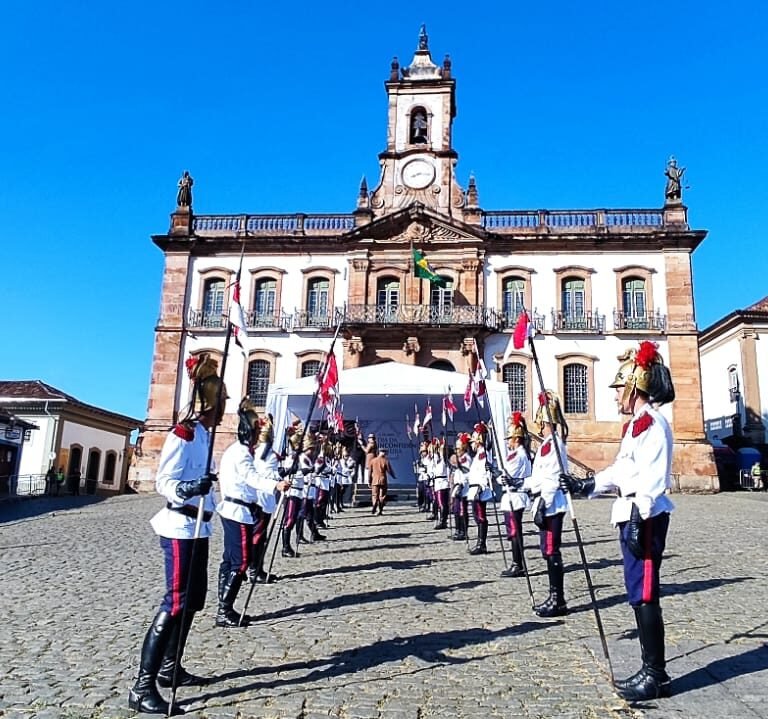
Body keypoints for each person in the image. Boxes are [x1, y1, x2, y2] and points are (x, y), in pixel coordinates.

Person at [560, 341, 676, 701]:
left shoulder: (653, 423)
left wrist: (640, 516)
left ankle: (656, 675)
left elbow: (653, 477)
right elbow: (622, 469)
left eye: (617, 389)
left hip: (645, 514)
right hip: (631, 511)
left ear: (633, 388)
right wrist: (588, 484)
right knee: (637, 592)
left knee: (646, 593)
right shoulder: (636, 426)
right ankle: (649, 669)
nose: (614, 396)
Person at [127, 353, 225, 714]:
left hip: (199, 526)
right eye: (222, 400)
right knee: (176, 602)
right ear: (210, 401)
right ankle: (142, 686)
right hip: (180, 526)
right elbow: (164, 481)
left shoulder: (205, 436)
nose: (224, 407)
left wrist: (206, 485)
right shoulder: (183, 434)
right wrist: (190, 488)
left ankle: (170, 668)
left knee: (195, 599)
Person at [214, 402, 290, 628]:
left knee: (230, 559)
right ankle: (224, 609)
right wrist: (276, 485)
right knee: (241, 561)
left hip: (238, 509)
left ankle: (224, 606)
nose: (258, 436)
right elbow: (252, 478)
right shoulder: (241, 454)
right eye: (257, 431)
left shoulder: (238, 451)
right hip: (237, 512)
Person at [522, 390, 569, 617]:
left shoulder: (554, 444)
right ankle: (554, 597)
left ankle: (557, 599)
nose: (539, 426)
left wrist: (543, 502)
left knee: (551, 550)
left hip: (551, 503)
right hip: (545, 500)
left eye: (540, 421)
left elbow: (552, 478)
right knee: (547, 550)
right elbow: (538, 477)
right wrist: (521, 483)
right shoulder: (546, 445)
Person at [499, 412, 532, 578]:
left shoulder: (518, 455)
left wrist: (499, 474)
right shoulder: (516, 454)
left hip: (515, 496)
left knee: (514, 532)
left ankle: (517, 564)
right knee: (512, 531)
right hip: (511, 495)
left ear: (516, 439)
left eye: (509, 439)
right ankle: (516, 563)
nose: (508, 442)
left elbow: (506, 475)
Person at [466, 422, 493, 555]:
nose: (472, 444)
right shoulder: (478, 454)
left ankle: (481, 544)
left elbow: (484, 473)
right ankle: (480, 542)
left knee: (481, 517)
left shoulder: (484, 454)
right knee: (477, 516)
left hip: (479, 489)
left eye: (473, 441)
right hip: (474, 489)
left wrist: (481, 487)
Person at [369, 447, 395, 515]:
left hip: (375, 480)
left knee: (374, 495)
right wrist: (394, 476)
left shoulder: (373, 460)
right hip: (383, 480)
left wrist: (369, 481)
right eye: (385, 452)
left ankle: (374, 504)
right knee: (382, 496)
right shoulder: (385, 461)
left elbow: (370, 472)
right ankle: (380, 510)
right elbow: (389, 470)